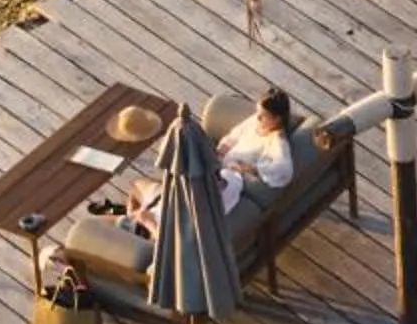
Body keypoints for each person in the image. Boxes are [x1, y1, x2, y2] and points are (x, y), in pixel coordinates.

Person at [127, 88, 297, 231]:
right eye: (257, 113)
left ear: (277, 119)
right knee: (135, 188)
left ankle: (137, 222)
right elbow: (234, 135)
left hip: (225, 176)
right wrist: (222, 148)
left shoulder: (277, 143)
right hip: (214, 170)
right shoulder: (257, 123)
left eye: (263, 116)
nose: (257, 118)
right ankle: (132, 221)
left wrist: (249, 168)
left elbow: (283, 171)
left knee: (137, 206)